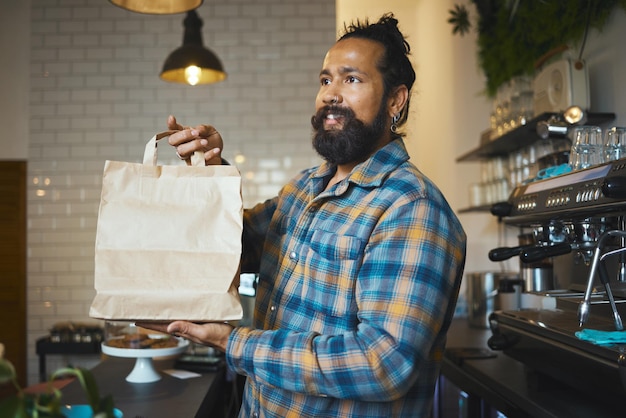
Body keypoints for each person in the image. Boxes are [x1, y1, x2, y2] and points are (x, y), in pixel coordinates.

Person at [142, 13, 466, 417]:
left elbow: (382, 365)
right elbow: (232, 250)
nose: (330, 93)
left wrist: (233, 342)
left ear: (395, 100)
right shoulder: (303, 188)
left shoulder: (412, 208)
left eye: (351, 79)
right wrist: (212, 174)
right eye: (325, 80)